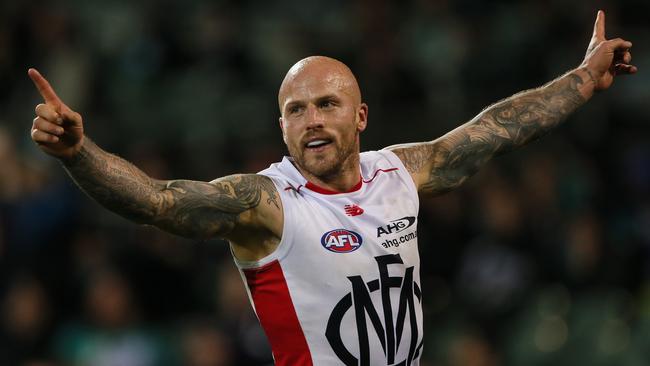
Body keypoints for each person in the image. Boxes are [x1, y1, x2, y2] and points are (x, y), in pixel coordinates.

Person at [28, 10, 635, 366]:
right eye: (296, 110)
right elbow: (156, 202)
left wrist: (582, 81)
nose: (312, 119)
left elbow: (495, 131)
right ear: (281, 125)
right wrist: (78, 153)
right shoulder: (263, 203)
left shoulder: (400, 171)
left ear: (361, 116)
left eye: (327, 104)